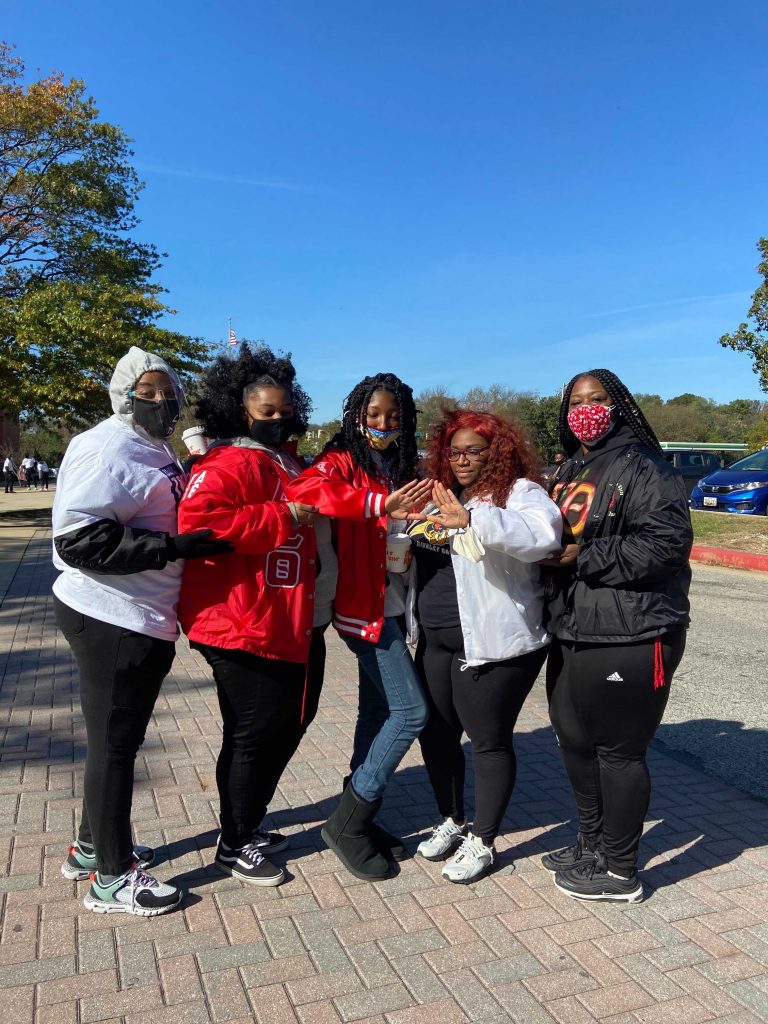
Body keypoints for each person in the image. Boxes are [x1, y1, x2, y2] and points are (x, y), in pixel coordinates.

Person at [53, 346, 232, 916]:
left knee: (113, 743)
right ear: (123, 395)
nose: (161, 401)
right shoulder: (107, 447)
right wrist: (171, 547)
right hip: (111, 616)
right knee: (115, 747)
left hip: (143, 616)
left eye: (167, 391)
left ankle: (90, 846)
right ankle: (111, 879)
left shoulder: (152, 447)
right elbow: (77, 539)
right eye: (146, 393)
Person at [540, 368, 692, 904]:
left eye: (597, 398)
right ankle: (591, 844)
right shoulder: (568, 468)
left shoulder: (646, 467)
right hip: (574, 626)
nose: (586, 409)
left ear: (618, 404)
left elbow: (667, 544)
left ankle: (621, 869)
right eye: (576, 401)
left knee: (618, 753)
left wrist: (585, 555)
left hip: (633, 628)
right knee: (575, 741)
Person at [178, 344, 322, 887]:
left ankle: (246, 824)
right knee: (253, 734)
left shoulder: (284, 460)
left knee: (281, 725)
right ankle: (234, 842)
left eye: (286, 410)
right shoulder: (229, 461)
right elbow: (198, 524)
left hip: (281, 618)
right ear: (243, 412)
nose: (280, 418)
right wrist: (281, 514)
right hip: (240, 622)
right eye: (268, 412)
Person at [406, 410, 562, 883]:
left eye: (475, 450)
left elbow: (543, 536)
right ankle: (452, 820)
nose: (463, 459)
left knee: (488, 742)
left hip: (495, 645)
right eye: (455, 451)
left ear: (497, 451)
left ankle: (484, 840)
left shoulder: (519, 493)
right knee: (435, 735)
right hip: (433, 639)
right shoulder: (439, 494)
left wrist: (474, 516)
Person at [289, 373, 432, 881]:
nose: (383, 424)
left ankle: (363, 816)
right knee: (412, 713)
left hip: (398, 601)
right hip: (361, 609)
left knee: (376, 712)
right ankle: (348, 820)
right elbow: (306, 489)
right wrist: (377, 505)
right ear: (356, 416)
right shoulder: (341, 461)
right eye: (373, 415)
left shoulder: (407, 467)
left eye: (393, 416)